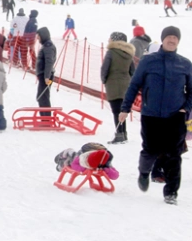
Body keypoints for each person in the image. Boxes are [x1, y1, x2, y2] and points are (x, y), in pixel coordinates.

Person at [119, 26, 192, 205]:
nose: (172, 40)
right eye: (169, 37)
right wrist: (125, 108)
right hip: (151, 114)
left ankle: (171, 192)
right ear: (163, 39)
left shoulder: (185, 64)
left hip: (175, 115)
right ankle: (144, 173)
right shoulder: (148, 61)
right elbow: (134, 84)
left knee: (174, 154)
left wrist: (186, 108)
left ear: (178, 41)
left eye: (175, 38)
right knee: (150, 150)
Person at [101, 32, 135, 144]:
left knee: (116, 111)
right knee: (122, 110)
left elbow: (105, 69)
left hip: (113, 84)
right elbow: (132, 72)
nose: (108, 40)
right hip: (126, 85)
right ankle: (124, 133)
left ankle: (119, 134)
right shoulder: (129, 54)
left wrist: (104, 80)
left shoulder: (111, 53)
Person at [54, 143, 119, 180]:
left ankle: (67, 157)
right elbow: (74, 165)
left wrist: (108, 171)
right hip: (82, 154)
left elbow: (115, 175)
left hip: (93, 151)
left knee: (72, 160)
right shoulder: (82, 157)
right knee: (71, 160)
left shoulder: (106, 162)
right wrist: (83, 169)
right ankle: (67, 153)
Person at [36, 27, 56, 116]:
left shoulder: (48, 46)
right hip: (44, 76)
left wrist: (47, 77)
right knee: (41, 96)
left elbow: (49, 62)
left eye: (38, 37)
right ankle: (44, 117)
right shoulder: (46, 45)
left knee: (43, 96)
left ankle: (47, 118)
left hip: (47, 77)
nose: (37, 39)